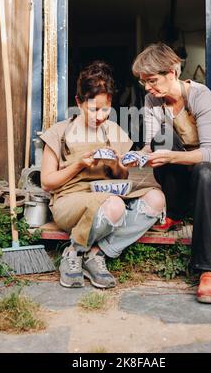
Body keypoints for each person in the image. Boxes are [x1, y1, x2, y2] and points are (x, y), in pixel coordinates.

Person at [40, 61, 165, 289]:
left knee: (156, 200)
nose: (100, 116)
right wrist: (78, 165)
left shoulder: (113, 132)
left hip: (108, 199)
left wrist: (116, 163)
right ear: (78, 102)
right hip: (70, 201)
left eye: (105, 109)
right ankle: (73, 251)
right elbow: (47, 183)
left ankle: (96, 254)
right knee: (115, 205)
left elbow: (123, 177)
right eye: (93, 109)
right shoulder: (58, 133)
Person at [132, 43, 211, 304]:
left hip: (209, 168)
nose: (147, 87)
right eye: (144, 82)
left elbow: (209, 153)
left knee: (202, 172)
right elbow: (149, 143)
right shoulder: (152, 99)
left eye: (152, 80)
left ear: (172, 73)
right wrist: (137, 157)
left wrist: (171, 156)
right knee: (160, 139)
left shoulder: (200, 95)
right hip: (178, 167)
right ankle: (176, 212)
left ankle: (208, 270)